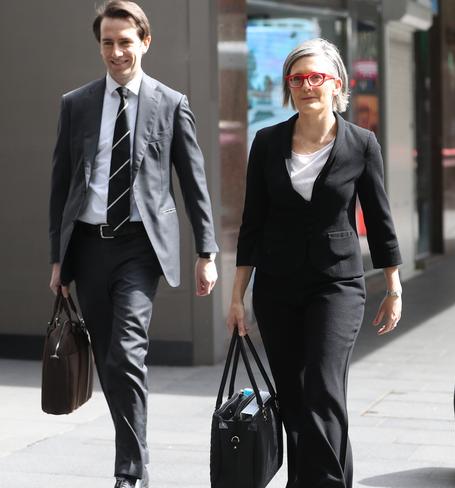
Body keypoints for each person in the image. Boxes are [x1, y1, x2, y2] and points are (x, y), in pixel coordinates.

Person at [48, 2, 219, 487]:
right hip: (87, 245)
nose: (117, 51)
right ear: (99, 45)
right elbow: (59, 187)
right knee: (107, 358)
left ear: (145, 41)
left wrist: (206, 252)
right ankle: (137, 458)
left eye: (126, 41)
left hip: (141, 248)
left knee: (126, 351)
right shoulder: (76, 104)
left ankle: (130, 471)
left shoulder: (171, 103)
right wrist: (57, 259)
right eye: (108, 42)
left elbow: (194, 183)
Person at [227, 38, 402, 488]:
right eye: (298, 78)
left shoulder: (361, 144)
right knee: (293, 397)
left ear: (337, 84)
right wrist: (237, 296)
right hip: (277, 287)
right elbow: (252, 223)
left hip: (337, 285)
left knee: (323, 388)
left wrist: (393, 286)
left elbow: (380, 221)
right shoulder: (266, 142)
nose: (307, 85)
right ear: (289, 87)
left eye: (317, 77)